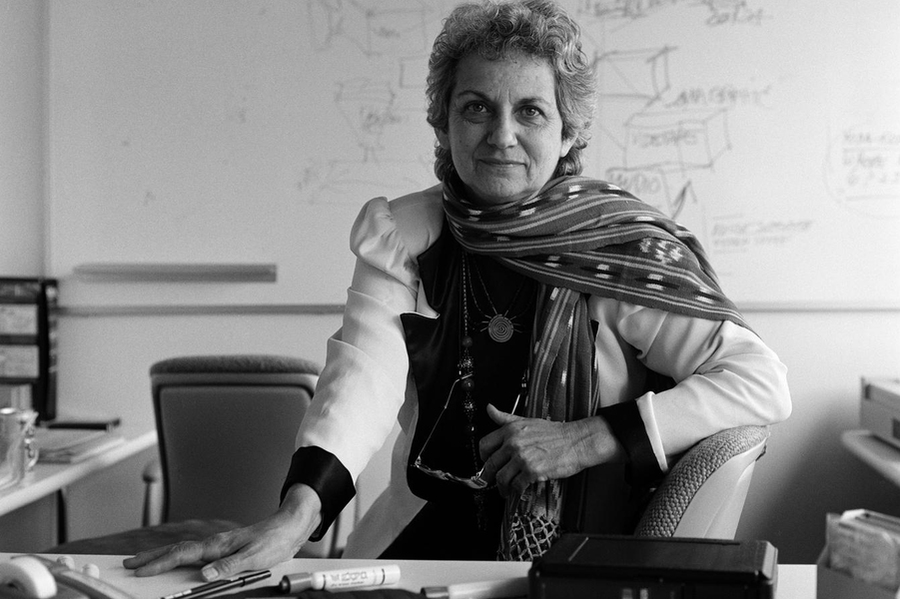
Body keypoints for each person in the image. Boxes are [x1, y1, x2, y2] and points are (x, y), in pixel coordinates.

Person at [125, 0, 791, 578]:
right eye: (476, 108)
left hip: (583, 564)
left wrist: (589, 436)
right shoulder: (407, 236)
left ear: (570, 133)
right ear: (444, 123)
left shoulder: (612, 249)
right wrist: (297, 515)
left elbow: (761, 380)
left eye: (530, 111)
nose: (501, 135)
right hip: (419, 553)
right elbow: (361, 376)